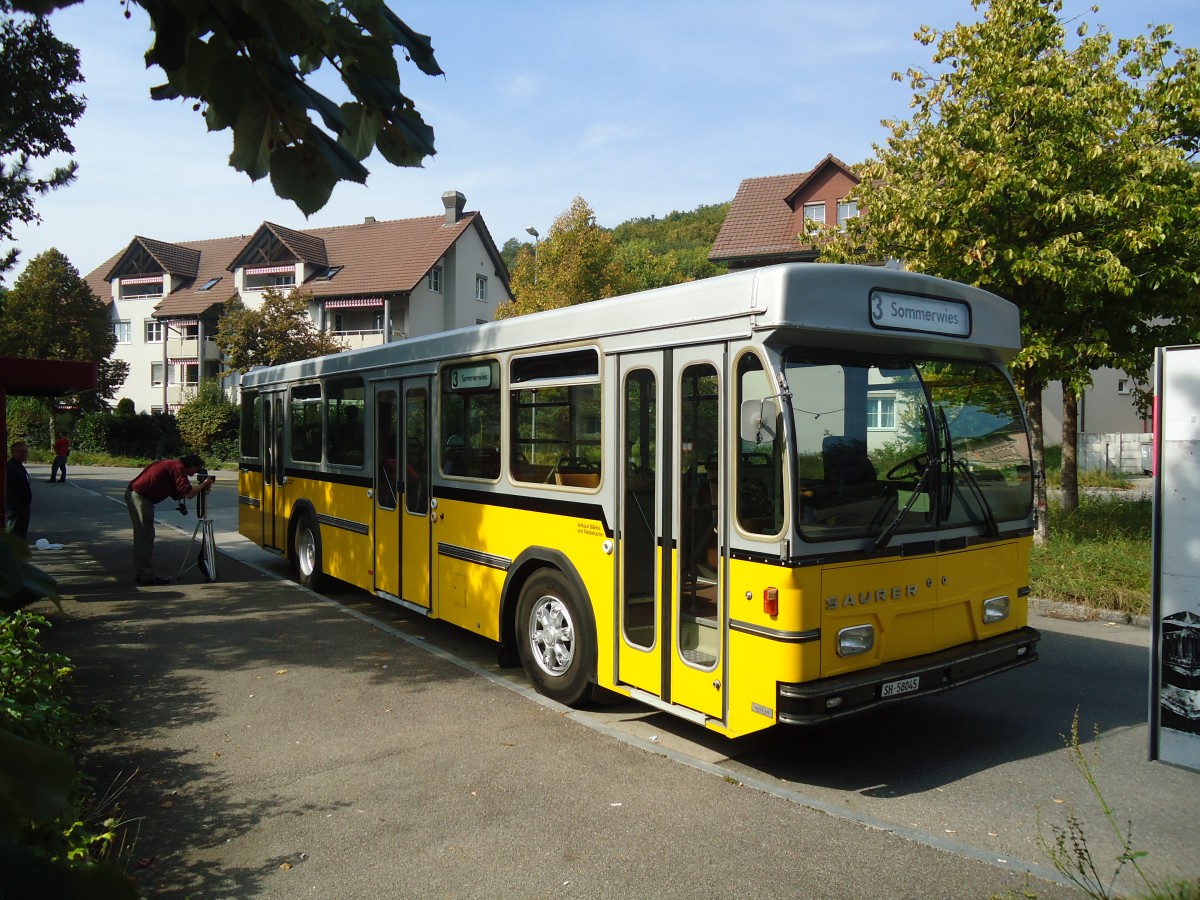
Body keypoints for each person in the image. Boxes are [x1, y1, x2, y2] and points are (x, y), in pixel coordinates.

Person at [125, 454, 215, 585]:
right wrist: (205, 484)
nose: (194, 473)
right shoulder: (178, 468)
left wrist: (198, 488)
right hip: (141, 497)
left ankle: (142, 573)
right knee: (145, 537)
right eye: (196, 470)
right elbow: (188, 493)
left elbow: (178, 493)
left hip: (139, 496)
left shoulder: (173, 465)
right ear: (191, 465)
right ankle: (146, 575)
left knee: (143, 537)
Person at [5, 441, 32, 539]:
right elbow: (8, 490)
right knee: (14, 535)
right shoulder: (10, 468)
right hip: (15, 509)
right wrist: (15, 505)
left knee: (20, 534)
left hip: (22, 507)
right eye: (20, 452)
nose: (23, 454)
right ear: (13, 452)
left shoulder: (19, 467)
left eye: (25, 452)